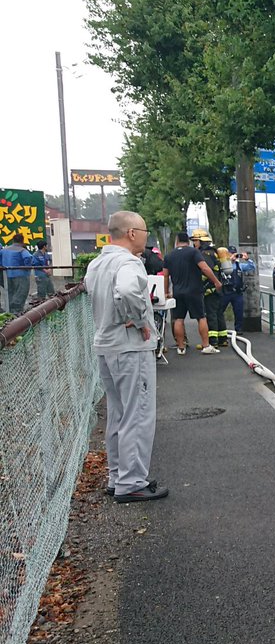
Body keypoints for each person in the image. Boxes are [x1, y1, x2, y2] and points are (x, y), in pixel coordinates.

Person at [83, 211, 168, 503]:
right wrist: (141, 320)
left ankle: (117, 476)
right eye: (144, 231)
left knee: (118, 414)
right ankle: (131, 482)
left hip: (106, 345)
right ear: (131, 233)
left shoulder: (96, 264)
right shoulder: (129, 262)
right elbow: (129, 290)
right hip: (130, 347)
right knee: (138, 414)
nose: (146, 237)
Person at [163, 231, 222, 355]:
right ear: (188, 241)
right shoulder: (193, 252)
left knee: (178, 319)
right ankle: (206, 345)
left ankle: (181, 347)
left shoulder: (169, 256)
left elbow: (165, 275)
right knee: (201, 317)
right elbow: (205, 268)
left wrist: (166, 291)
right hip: (194, 291)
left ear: (176, 241)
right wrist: (216, 281)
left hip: (178, 292)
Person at [193, 230, 229, 348]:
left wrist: (200, 283)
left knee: (211, 314)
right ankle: (223, 339)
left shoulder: (205, 254)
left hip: (210, 289)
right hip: (217, 288)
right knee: (219, 313)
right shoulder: (213, 252)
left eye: (195, 241)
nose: (194, 244)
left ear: (202, 241)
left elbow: (206, 271)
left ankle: (212, 341)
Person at [1, 233, 36, 313]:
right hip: (21, 275)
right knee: (21, 293)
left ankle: (9, 311)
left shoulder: (4, 250)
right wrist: (27, 268)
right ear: (22, 241)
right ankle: (17, 311)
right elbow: (28, 258)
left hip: (7, 275)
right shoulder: (22, 250)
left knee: (10, 292)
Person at [219, 247, 249, 335]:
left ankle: (238, 329)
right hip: (226, 292)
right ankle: (219, 328)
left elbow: (251, 267)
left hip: (237, 292)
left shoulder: (239, 265)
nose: (233, 255)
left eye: (234, 253)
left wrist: (247, 259)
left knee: (239, 311)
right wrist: (229, 261)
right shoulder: (223, 265)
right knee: (220, 310)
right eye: (231, 253)